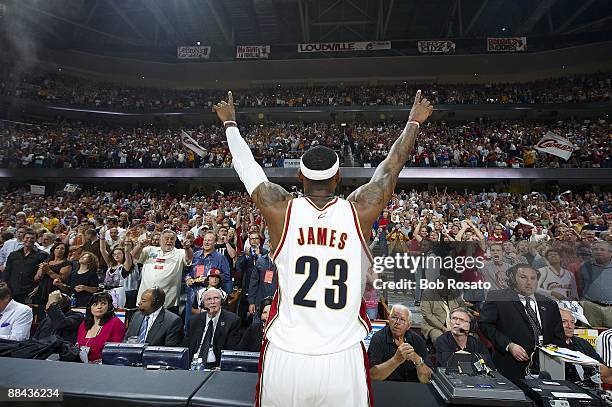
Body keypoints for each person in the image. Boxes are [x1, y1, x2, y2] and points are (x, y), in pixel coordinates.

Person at [213, 89, 433, 406]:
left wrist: (230, 124)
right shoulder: (360, 209)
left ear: (300, 176)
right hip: (343, 356)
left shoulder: (280, 209)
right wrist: (413, 121)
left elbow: (247, 166)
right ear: (339, 177)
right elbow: (390, 167)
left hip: (287, 354)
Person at [480, 264, 565, 382]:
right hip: (510, 367)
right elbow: (485, 325)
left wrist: (548, 353)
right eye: (523, 277)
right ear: (513, 279)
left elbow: (559, 336)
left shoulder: (550, 304)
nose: (529, 282)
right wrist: (509, 345)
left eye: (533, 278)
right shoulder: (497, 297)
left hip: (545, 369)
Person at [131, 229, 193, 314]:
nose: (169, 241)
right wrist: (140, 245)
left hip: (168, 302)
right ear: (160, 241)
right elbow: (134, 256)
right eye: (166, 238)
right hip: (145, 300)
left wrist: (187, 248)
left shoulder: (180, 252)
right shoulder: (149, 250)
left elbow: (189, 258)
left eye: (172, 239)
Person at [367, 304, 433, 383]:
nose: (397, 322)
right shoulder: (378, 338)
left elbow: (428, 379)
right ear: (389, 319)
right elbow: (372, 376)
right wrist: (396, 360)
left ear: (409, 325)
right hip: (386, 386)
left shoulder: (417, 340)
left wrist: (418, 360)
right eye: (394, 317)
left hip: (412, 387)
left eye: (402, 319)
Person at [184, 288, 241, 368]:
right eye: (208, 299)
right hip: (194, 364)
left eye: (216, 298)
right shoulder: (194, 321)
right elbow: (186, 346)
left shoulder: (232, 321)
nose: (212, 302)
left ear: (221, 301)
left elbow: (231, 350)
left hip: (216, 366)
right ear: (203, 304)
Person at [559, 307, 611, 384]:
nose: (569, 326)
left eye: (572, 322)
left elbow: (605, 373)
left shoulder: (583, 343)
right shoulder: (547, 344)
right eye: (564, 322)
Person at [76, 291, 126, 363]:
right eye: (95, 304)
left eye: (103, 304)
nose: (99, 307)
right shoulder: (84, 324)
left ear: (109, 306)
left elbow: (117, 352)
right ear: (90, 308)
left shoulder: (115, 323)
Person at [2, 229, 48, 303]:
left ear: (36, 240)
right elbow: (7, 271)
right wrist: (5, 286)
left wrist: (39, 287)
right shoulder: (13, 254)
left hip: (30, 292)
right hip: (13, 290)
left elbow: (45, 275)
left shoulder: (43, 255)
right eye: (27, 238)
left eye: (32, 238)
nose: (29, 240)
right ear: (23, 239)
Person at [420, 274, 465, 343]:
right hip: (434, 326)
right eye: (442, 289)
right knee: (440, 338)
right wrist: (443, 328)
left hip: (454, 323)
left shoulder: (454, 293)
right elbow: (427, 315)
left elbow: (463, 306)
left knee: (468, 336)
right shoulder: (427, 294)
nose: (445, 291)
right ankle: (444, 353)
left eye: (446, 289)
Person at [33, 242, 72, 321]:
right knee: (41, 314)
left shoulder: (67, 263)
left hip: (55, 290)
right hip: (43, 290)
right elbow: (36, 278)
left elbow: (62, 279)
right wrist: (41, 272)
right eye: (57, 248)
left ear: (65, 251)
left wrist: (48, 271)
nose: (59, 250)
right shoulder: (47, 261)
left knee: (53, 314)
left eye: (62, 248)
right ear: (53, 250)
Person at [99, 230, 136, 308]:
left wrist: (127, 238)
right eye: (114, 254)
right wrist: (102, 236)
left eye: (119, 253)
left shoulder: (125, 266)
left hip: (118, 292)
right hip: (106, 291)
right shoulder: (110, 265)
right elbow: (102, 250)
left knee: (117, 311)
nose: (116, 255)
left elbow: (126, 251)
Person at [579, 241, 612, 328]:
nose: (598, 251)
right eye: (595, 249)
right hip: (590, 307)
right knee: (590, 335)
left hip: (611, 309)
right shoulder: (585, 266)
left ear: (610, 253)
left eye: (602, 249)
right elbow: (580, 285)